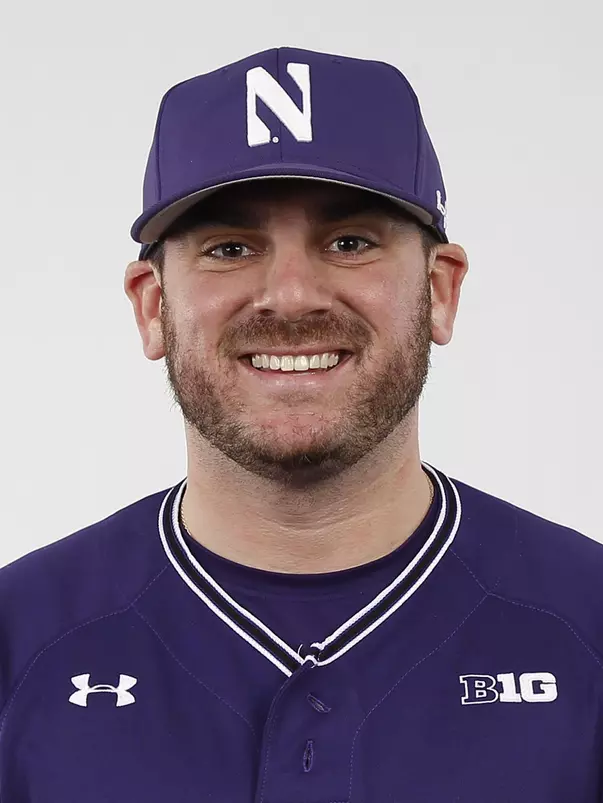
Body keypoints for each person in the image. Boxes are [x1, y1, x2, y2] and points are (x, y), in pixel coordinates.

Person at [0, 46, 601, 803]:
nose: (289, 296)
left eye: (349, 243)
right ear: (152, 306)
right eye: (229, 248)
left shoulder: (587, 622)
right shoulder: (20, 640)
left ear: (440, 291)